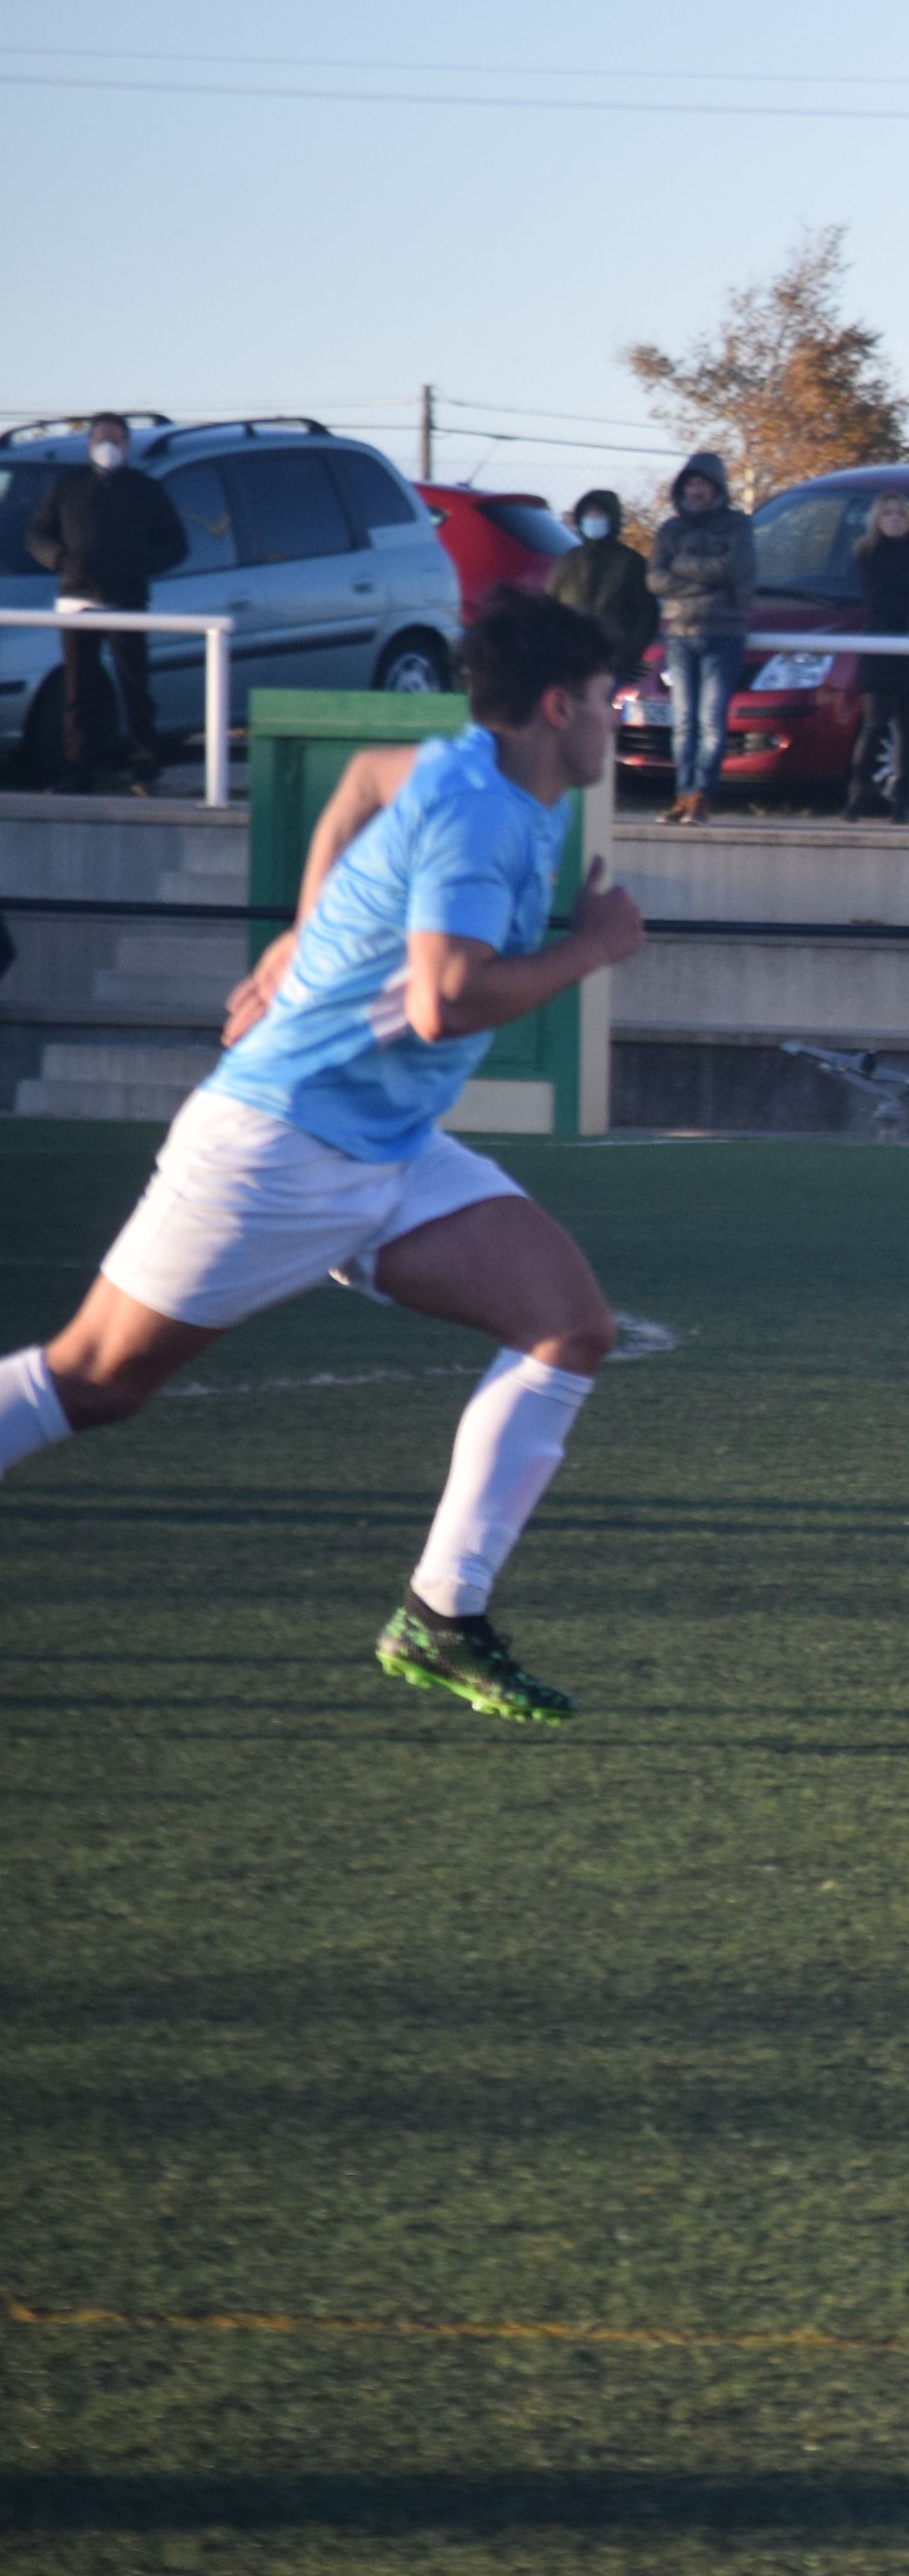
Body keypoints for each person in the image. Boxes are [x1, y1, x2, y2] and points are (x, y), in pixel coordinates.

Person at [0, 590, 647, 1718]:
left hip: (389, 1148)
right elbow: (446, 1002)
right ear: (557, 707)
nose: (616, 717)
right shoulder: (486, 812)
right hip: (279, 1142)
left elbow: (355, 786)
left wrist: (301, 933)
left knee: (567, 1324)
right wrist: (593, 948)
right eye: (605, 700)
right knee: (93, 1380)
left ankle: (442, 1617)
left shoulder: (480, 766)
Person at [25, 413, 188, 796]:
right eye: (101, 439)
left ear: (128, 445)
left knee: (135, 685)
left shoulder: (145, 489)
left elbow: (176, 546)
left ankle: (143, 764)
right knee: (78, 691)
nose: (108, 447)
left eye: (115, 439)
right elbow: (37, 533)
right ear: (89, 444)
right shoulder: (67, 487)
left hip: (126, 601)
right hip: (76, 602)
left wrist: (140, 566)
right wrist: (60, 560)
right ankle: (78, 770)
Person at [646, 451, 752, 825]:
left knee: (711, 720)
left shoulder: (737, 526)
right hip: (679, 635)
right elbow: (655, 578)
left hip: (722, 635)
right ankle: (682, 795)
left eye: (703, 484)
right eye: (691, 484)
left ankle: (702, 797)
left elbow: (736, 568)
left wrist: (682, 570)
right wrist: (707, 579)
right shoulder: (671, 530)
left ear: (716, 488)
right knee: (684, 722)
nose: (696, 491)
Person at [845, 491, 909, 823]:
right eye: (888, 513)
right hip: (881, 647)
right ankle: (857, 795)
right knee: (875, 722)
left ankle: (902, 801)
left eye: (901, 513)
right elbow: (877, 598)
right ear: (877, 519)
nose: (895, 519)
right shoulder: (865, 553)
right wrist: (907, 599)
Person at [543, 491, 654, 679]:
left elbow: (646, 615)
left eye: (599, 514)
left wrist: (627, 656)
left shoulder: (630, 563)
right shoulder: (568, 561)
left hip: (613, 661)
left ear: (612, 519)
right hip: (570, 660)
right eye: (588, 515)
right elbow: (547, 610)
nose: (593, 519)